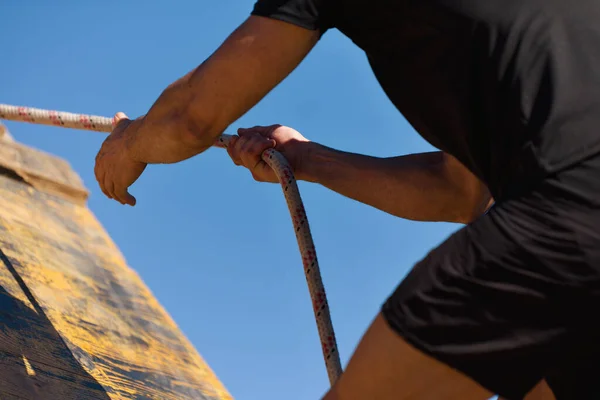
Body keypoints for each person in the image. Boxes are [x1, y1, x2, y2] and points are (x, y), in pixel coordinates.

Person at [94, 0, 600, 399]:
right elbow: (461, 192)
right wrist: (306, 159)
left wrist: (129, 142)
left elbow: (190, 119)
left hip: (571, 212)